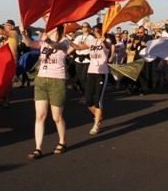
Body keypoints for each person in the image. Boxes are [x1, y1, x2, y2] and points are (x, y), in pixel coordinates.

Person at [20, 24, 73, 159]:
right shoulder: (42, 41)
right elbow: (29, 43)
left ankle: (62, 142)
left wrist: (48, 40)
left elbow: (59, 47)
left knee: (56, 117)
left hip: (57, 81)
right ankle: (38, 148)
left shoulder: (64, 41)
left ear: (56, 29)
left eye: (49, 27)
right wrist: (23, 33)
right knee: (40, 116)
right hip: (41, 80)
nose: (46, 29)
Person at [71, 23, 110, 134]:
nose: (96, 32)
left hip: (102, 73)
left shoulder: (106, 41)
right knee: (88, 100)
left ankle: (96, 125)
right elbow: (78, 47)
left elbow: (107, 46)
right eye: (95, 30)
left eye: (98, 30)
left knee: (98, 100)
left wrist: (104, 40)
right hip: (91, 72)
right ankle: (98, 115)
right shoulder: (92, 42)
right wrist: (68, 41)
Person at [72, 22, 95, 103]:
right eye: (83, 26)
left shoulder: (91, 38)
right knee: (79, 78)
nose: (84, 28)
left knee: (84, 78)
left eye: (86, 26)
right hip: (78, 59)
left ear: (89, 28)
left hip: (87, 59)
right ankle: (83, 94)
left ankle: (87, 95)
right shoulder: (78, 37)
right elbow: (73, 46)